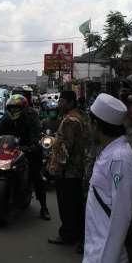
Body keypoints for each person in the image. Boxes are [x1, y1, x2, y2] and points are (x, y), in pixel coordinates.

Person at [83, 93, 132, 263]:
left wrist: (107, 260)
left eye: (89, 123)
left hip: (107, 255)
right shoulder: (108, 151)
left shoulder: (120, 159)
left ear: (96, 125)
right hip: (96, 249)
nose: (87, 127)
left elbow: (121, 218)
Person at [0, 94, 50, 220]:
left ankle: (44, 208)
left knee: (36, 175)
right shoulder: (6, 118)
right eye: (11, 108)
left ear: (23, 108)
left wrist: (33, 145)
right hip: (10, 151)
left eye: (16, 108)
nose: (13, 111)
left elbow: (36, 133)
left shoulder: (31, 117)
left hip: (28, 151)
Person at [47, 91, 87, 251]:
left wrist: (55, 167)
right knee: (75, 205)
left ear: (70, 103)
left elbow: (64, 150)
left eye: (62, 101)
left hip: (68, 172)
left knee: (67, 205)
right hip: (77, 170)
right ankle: (75, 234)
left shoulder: (70, 121)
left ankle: (67, 235)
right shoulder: (80, 116)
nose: (59, 104)